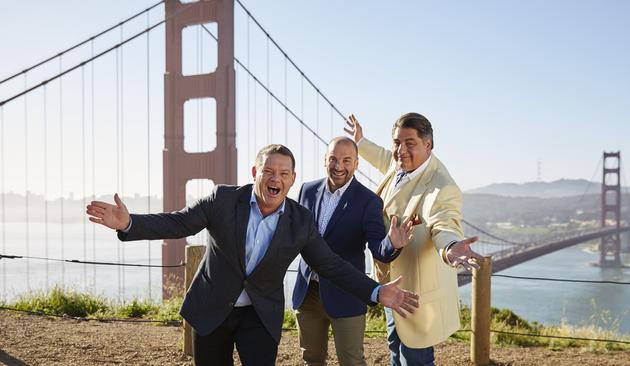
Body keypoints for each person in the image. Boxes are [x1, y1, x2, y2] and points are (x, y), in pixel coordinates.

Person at [85, 144, 419, 366]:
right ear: (254, 173)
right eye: (269, 171)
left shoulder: (300, 221)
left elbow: (330, 265)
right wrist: (129, 223)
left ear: (292, 180)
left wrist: (377, 291)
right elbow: (179, 222)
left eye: (284, 174)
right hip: (212, 308)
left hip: (259, 315)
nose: (276, 179)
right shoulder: (223, 200)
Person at [345, 114, 483, 366]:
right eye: (397, 142)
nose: (401, 150)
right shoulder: (399, 163)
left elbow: (444, 221)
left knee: (415, 359)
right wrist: (360, 141)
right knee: (395, 350)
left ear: (428, 145)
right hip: (391, 285)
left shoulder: (441, 187)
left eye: (410, 143)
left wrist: (451, 247)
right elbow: (384, 157)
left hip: (416, 295)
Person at [292, 137, 411, 366]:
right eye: (333, 159)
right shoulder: (306, 191)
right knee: (311, 359)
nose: (339, 166)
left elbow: (378, 249)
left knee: (352, 361)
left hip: (347, 294)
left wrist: (392, 243)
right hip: (308, 292)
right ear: (324, 160)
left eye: (347, 160)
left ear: (357, 164)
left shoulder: (369, 201)